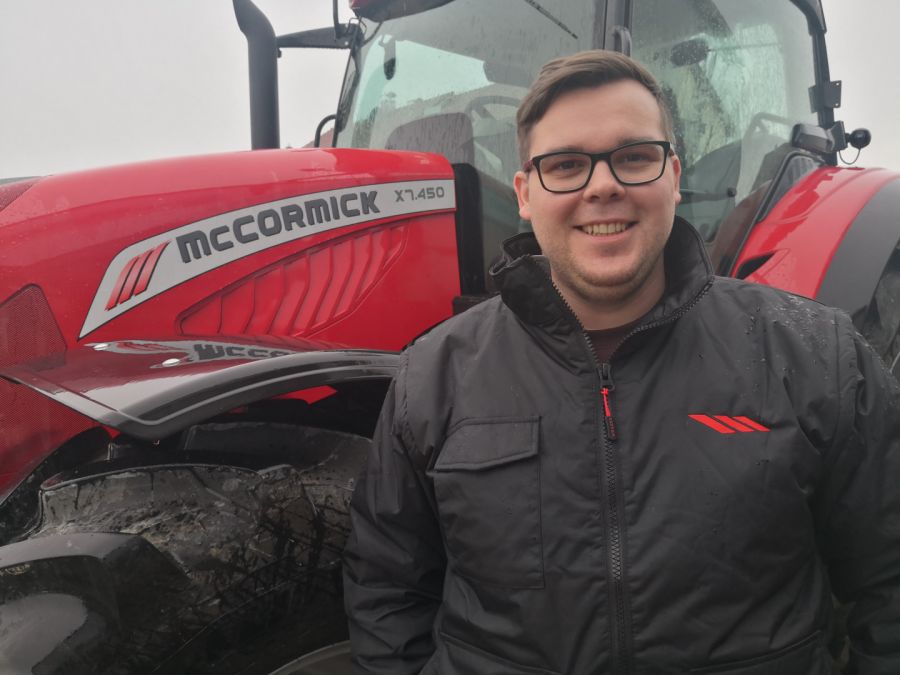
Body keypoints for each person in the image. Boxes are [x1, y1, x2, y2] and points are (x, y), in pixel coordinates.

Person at [342, 50, 900, 674]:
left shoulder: (817, 356)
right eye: (565, 165)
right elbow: (388, 592)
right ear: (524, 194)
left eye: (634, 157)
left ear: (673, 176)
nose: (603, 186)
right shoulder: (432, 377)